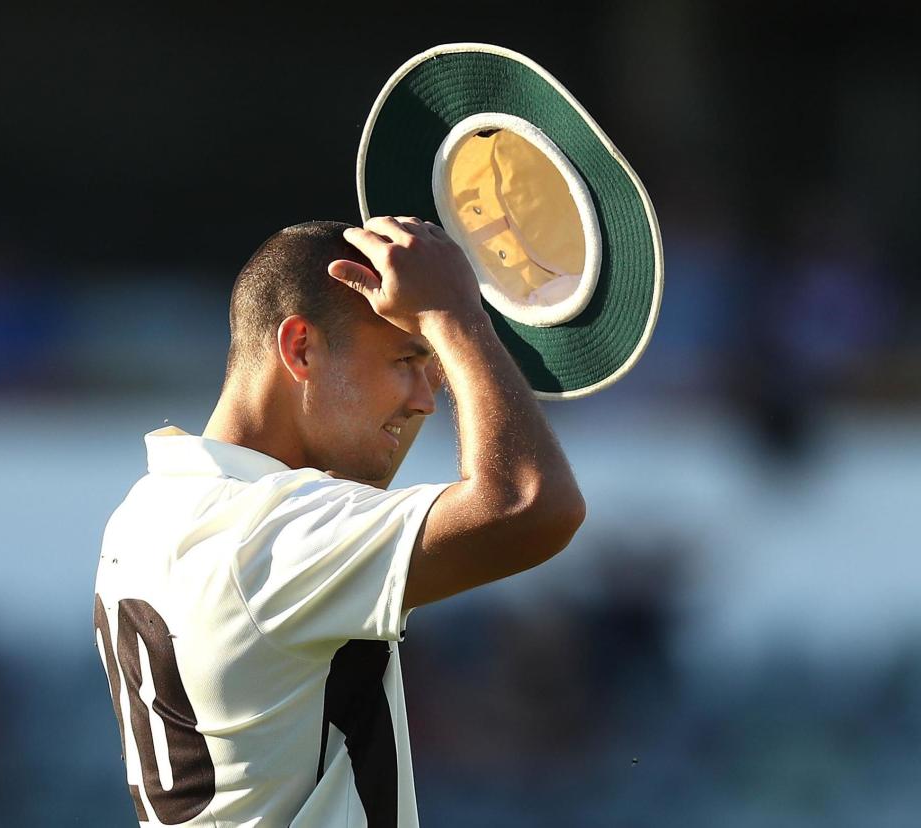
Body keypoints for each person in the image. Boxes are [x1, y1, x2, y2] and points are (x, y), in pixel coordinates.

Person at [92, 217, 586, 827]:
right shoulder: (271, 528)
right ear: (300, 346)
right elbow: (531, 503)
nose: (426, 400)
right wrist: (456, 318)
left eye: (433, 369)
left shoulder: (149, 509)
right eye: (406, 358)